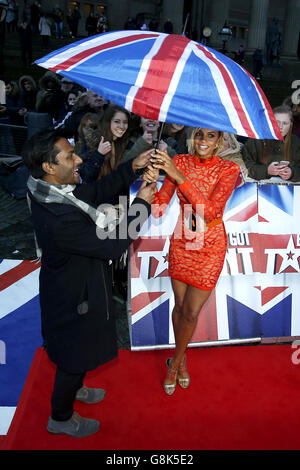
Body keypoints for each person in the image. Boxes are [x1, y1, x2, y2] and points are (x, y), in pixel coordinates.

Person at [21, 128, 156, 438]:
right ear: (50, 167)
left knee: (78, 349)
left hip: (75, 282)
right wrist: (142, 206)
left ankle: (76, 387)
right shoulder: (57, 216)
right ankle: (61, 416)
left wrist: (130, 167)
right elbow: (110, 245)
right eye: (71, 156)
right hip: (72, 294)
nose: (79, 159)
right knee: (73, 356)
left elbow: (93, 193)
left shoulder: (49, 189)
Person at [143, 127, 239, 395]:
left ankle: (173, 365)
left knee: (192, 312)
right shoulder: (181, 161)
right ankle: (181, 356)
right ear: (192, 137)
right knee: (180, 305)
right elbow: (160, 205)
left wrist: (175, 173)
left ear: (220, 140)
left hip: (210, 244)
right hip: (184, 237)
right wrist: (150, 182)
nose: (203, 141)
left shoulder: (228, 169)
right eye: (199, 135)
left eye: (211, 136)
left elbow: (209, 212)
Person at [241, 105, 300, 181]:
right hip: (259, 190)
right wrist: (266, 170)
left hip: (290, 191)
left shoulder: (296, 142)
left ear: (291, 124)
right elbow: (245, 166)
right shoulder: (257, 139)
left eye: (285, 123)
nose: (280, 126)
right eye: (277, 122)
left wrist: (292, 173)